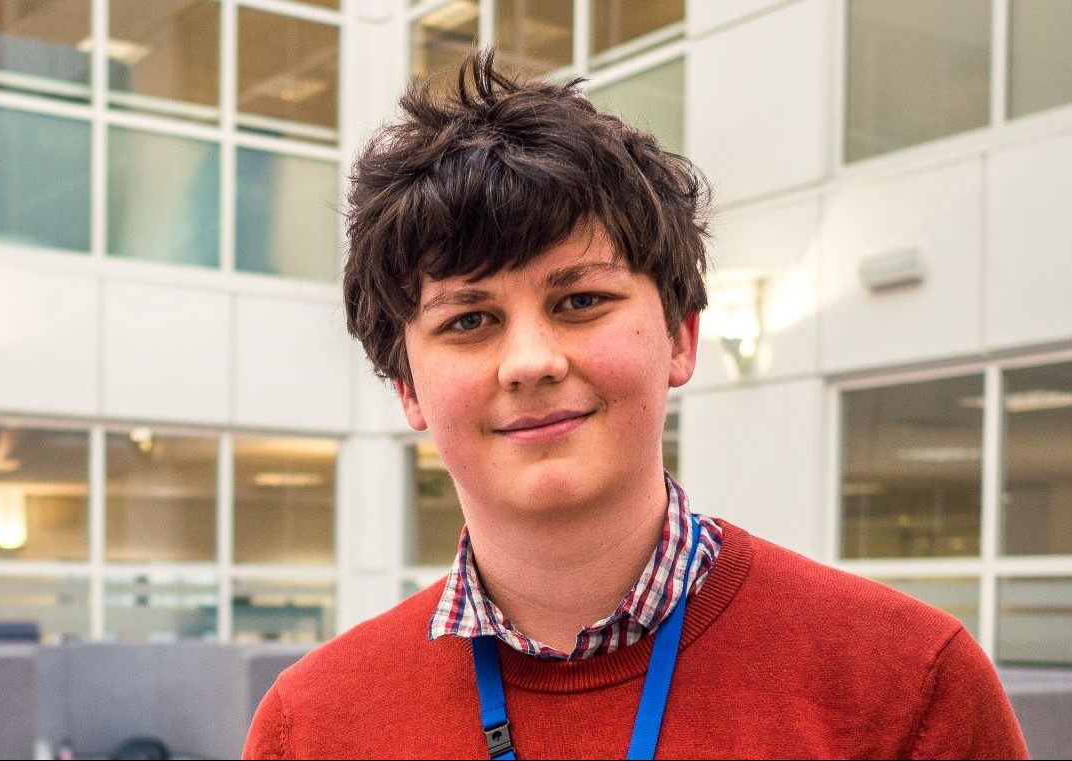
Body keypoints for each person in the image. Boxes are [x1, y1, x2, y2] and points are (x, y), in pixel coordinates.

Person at [241, 50, 1029, 760]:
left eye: (580, 299)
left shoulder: (904, 685)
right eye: (468, 320)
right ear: (407, 385)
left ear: (680, 337)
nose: (531, 361)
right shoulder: (310, 726)